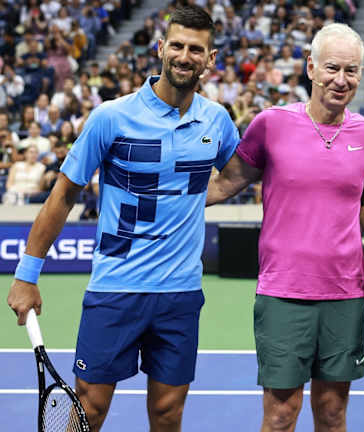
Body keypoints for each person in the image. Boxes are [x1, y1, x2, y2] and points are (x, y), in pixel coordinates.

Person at [6, 6, 239, 431]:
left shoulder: (217, 120)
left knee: (168, 413)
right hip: (116, 287)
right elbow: (62, 195)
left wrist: (184, 200)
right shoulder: (111, 116)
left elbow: (238, 175)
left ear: (211, 59)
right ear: (160, 48)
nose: (185, 56)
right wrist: (26, 273)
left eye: (196, 49)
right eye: (177, 45)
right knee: (89, 409)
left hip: (181, 293)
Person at [206, 23, 364, 432]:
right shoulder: (271, 124)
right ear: (311, 67)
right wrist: (164, 197)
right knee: (281, 415)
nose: (341, 80)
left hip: (345, 293)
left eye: (351, 71)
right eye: (332, 68)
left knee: (333, 413)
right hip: (283, 292)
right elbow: (227, 182)